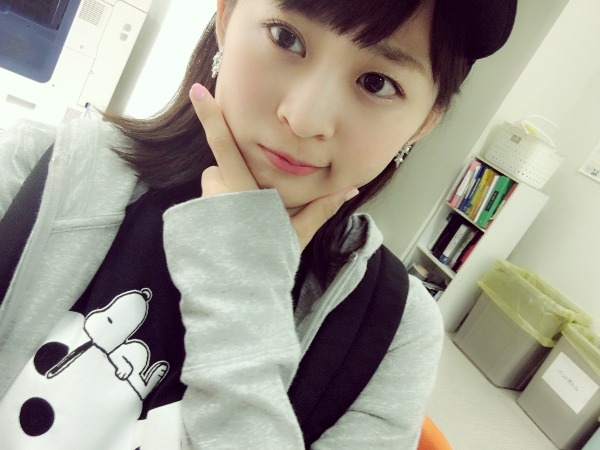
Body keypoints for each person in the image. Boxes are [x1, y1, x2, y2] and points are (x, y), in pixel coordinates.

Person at [0, 0, 517, 448]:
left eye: (376, 83)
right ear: (226, 17)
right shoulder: (39, 169)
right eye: (286, 37)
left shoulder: (395, 332)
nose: (305, 118)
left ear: (424, 121)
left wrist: (242, 294)